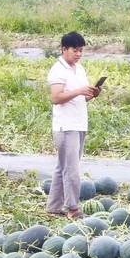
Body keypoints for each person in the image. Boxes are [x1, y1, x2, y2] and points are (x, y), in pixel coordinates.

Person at [46, 31, 102, 219]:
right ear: (64, 49)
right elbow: (56, 98)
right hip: (65, 126)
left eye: (81, 51)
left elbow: (80, 99)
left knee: (63, 167)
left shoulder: (79, 69)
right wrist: (79, 91)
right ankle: (72, 208)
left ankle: (53, 206)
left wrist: (91, 94)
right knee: (72, 170)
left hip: (79, 123)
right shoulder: (58, 70)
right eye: (75, 50)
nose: (78, 54)